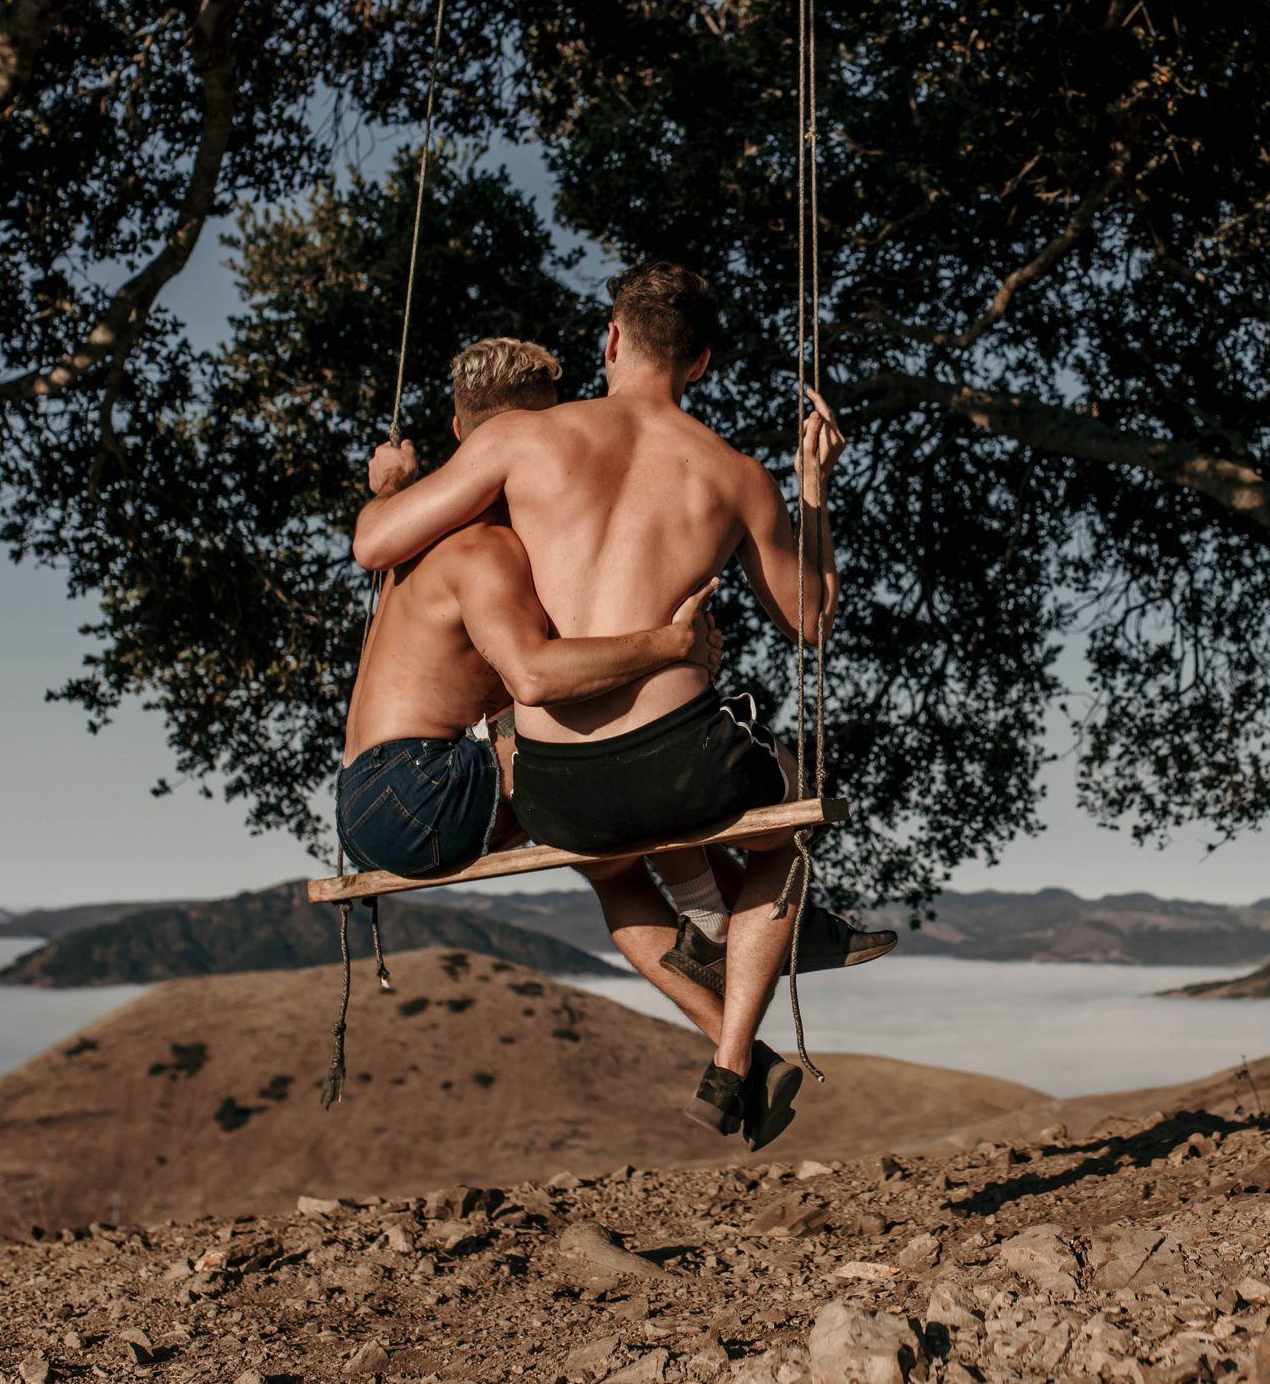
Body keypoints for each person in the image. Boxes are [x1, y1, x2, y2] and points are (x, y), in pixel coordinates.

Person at [353, 262, 893, 1148]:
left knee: (615, 868)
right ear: (702, 364)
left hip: (557, 787)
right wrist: (814, 490)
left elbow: (376, 544)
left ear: (610, 340)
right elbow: (811, 619)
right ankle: (728, 1061)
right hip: (685, 767)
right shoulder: (738, 475)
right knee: (786, 805)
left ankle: (719, 973)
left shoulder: (521, 440)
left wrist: (389, 482)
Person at [338, 337, 720, 878]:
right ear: (544, 433)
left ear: (456, 430)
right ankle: (710, 910)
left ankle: (708, 936)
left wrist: (392, 489)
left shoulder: (421, 532)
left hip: (365, 796)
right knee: (596, 725)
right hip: (415, 791)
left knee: (608, 856)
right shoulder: (487, 548)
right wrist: (671, 645)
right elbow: (535, 677)